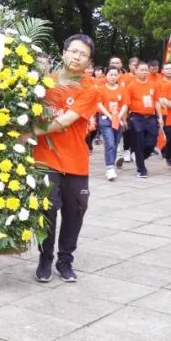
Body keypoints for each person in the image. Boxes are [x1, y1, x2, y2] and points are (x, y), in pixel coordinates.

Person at [33, 34, 98, 284]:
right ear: (64, 52)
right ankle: (45, 258)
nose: (76, 57)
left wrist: (31, 133)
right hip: (44, 158)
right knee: (46, 209)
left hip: (75, 160)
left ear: (88, 60)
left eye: (82, 54)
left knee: (75, 212)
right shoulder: (44, 83)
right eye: (73, 51)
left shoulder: (90, 88)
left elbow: (64, 121)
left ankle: (65, 260)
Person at [121, 62, 162, 178]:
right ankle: (141, 169)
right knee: (139, 141)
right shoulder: (131, 86)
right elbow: (126, 104)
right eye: (141, 70)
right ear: (136, 71)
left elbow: (157, 101)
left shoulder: (153, 85)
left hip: (151, 117)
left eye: (146, 70)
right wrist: (124, 119)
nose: (144, 72)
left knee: (152, 141)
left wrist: (159, 117)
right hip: (136, 117)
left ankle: (140, 156)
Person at [96, 66, 125, 181]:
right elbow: (99, 104)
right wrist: (109, 115)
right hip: (105, 120)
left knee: (116, 143)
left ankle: (111, 165)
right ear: (106, 75)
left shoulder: (122, 89)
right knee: (110, 143)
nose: (113, 77)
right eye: (110, 74)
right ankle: (110, 168)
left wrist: (118, 116)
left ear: (118, 76)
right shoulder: (101, 89)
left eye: (115, 75)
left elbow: (125, 104)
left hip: (118, 119)